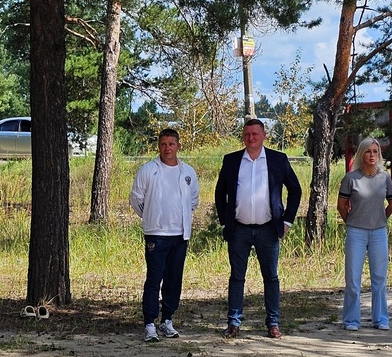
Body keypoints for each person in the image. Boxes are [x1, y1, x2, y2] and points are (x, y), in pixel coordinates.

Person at [214, 118, 302, 339]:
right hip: (239, 229)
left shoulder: (277, 159)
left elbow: (295, 190)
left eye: (254, 134)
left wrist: (287, 221)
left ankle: (273, 323)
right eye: (246, 134)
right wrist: (226, 221)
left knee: (271, 277)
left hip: (268, 229)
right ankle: (233, 323)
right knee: (237, 277)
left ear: (264, 135)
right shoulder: (232, 160)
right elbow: (220, 192)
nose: (250, 138)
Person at [129, 128, 200, 343]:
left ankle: (167, 319)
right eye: (163, 144)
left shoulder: (187, 172)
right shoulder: (148, 170)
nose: (167, 148)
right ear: (158, 146)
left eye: (171, 144)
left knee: (173, 279)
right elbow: (136, 199)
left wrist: (182, 218)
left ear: (178, 146)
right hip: (156, 234)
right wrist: (152, 216)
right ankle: (150, 323)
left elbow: (193, 201)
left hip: (180, 234)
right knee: (154, 279)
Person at [337, 138, 392, 331]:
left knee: (379, 278)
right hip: (356, 232)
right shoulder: (351, 178)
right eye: (368, 151)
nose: (372, 155)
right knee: (353, 279)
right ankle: (351, 320)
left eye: (375, 151)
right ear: (361, 154)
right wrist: (353, 221)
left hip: (379, 232)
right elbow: (341, 206)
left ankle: (380, 319)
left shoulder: (384, 178)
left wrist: (381, 219)